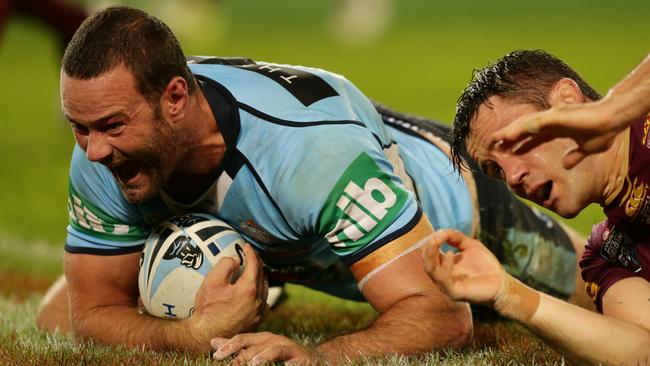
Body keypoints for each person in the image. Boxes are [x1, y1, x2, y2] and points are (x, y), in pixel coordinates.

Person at [37, 8, 586, 363]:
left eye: (111, 127)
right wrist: (190, 333)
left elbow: (442, 317)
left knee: (608, 299)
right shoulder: (106, 149)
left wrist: (316, 357)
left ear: (175, 99)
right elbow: (87, 312)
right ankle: (254, 267)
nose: (93, 152)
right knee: (53, 314)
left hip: (459, 206)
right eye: (78, 128)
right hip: (304, 185)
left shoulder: (310, 159)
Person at [433, 49, 650, 365]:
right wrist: (507, 293)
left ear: (567, 100)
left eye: (516, 142)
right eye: (496, 171)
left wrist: (612, 110)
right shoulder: (608, 255)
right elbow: (642, 354)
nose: (513, 177)